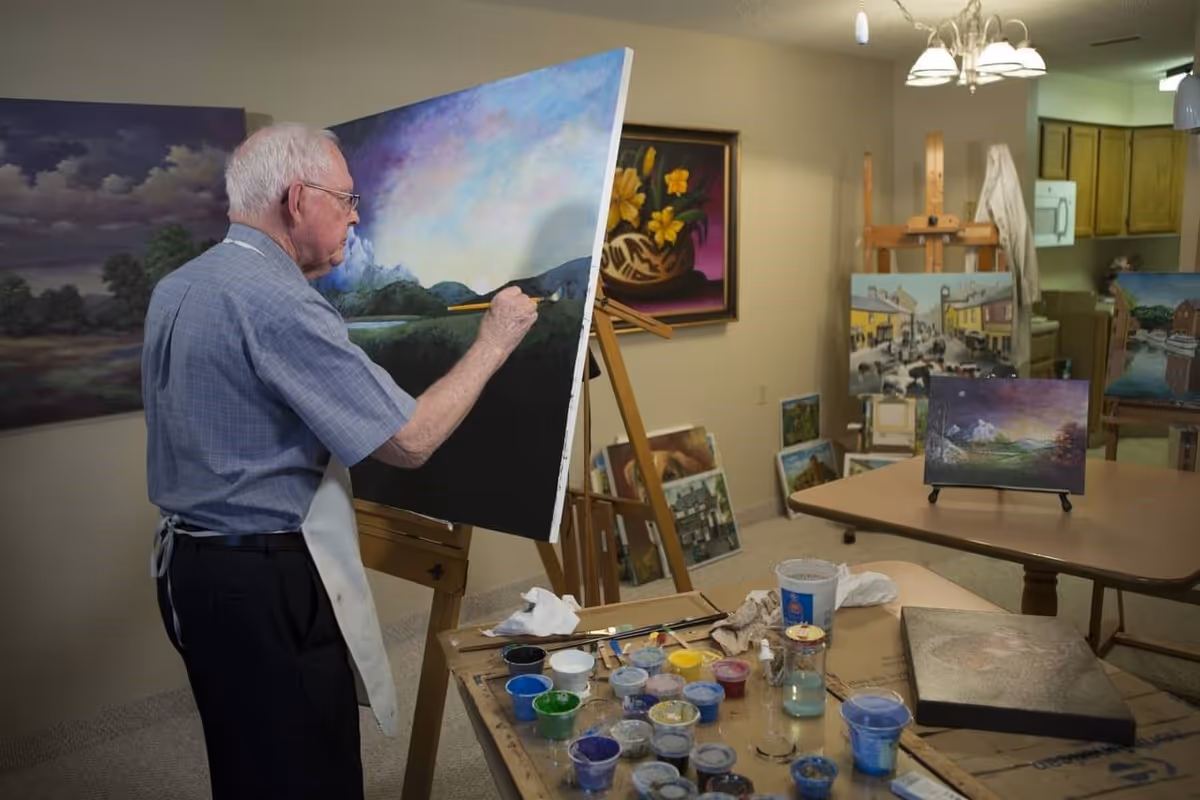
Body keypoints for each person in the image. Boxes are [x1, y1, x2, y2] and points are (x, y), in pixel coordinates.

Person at [142, 121, 537, 800]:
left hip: (193, 571)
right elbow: (410, 440)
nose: (356, 216)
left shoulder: (179, 285)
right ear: (298, 199)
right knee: (307, 766)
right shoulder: (277, 302)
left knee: (245, 757)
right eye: (348, 199)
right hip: (263, 583)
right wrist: (495, 341)